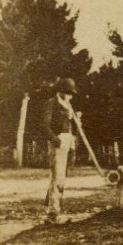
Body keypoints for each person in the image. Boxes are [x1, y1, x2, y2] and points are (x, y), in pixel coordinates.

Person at [40, 77, 78, 224]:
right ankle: (54, 214)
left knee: (61, 178)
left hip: (68, 141)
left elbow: (71, 125)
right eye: (68, 92)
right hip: (59, 142)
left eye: (71, 93)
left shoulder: (68, 105)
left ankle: (51, 209)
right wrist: (56, 140)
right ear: (60, 91)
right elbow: (44, 125)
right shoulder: (52, 103)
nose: (70, 95)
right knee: (58, 178)